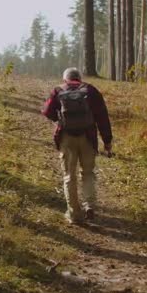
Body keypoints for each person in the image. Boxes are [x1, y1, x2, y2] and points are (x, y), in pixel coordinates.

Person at [42, 68, 113, 224]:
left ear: (65, 79)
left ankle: (74, 214)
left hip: (66, 137)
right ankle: (89, 205)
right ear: (79, 78)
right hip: (88, 136)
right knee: (88, 173)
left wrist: (58, 119)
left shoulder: (58, 90)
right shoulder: (91, 90)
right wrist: (107, 141)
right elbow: (102, 117)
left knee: (69, 176)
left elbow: (47, 111)